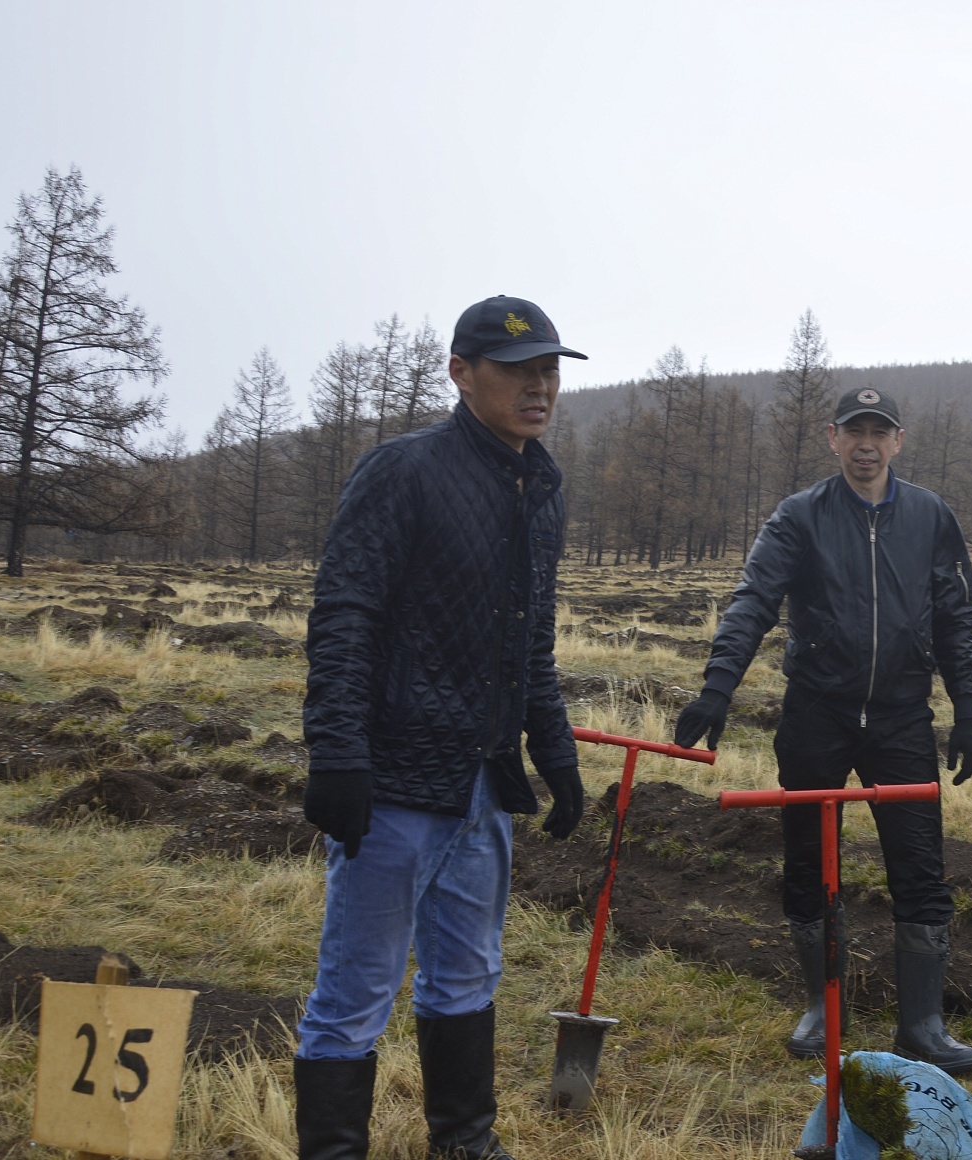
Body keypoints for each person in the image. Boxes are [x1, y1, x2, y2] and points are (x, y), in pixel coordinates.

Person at [294, 296, 589, 1160]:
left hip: (483, 788)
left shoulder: (542, 487)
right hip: (394, 782)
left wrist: (555, 755)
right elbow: (344, 614)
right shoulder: (403, 471)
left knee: (467, 972)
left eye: (550, 369)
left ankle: (465, 1142)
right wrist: (339, 755)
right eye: (517, 370)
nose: (539, 386)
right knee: (356, 989)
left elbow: (529, 641)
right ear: (462, 374)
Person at [672, 387, 972, 1076]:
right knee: (810, 860)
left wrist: (967, 708)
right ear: (832, 438)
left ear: (899, 440)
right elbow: (754, 599)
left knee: (920, 864)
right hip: (818, 711)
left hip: (903, 717)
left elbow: (956, 616)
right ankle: (822, 1004)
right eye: (855, 431)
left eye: (880, 431)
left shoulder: (931, 516)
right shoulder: (800, 517)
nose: (867, 444)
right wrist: (717, 687)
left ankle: (923, 1025)